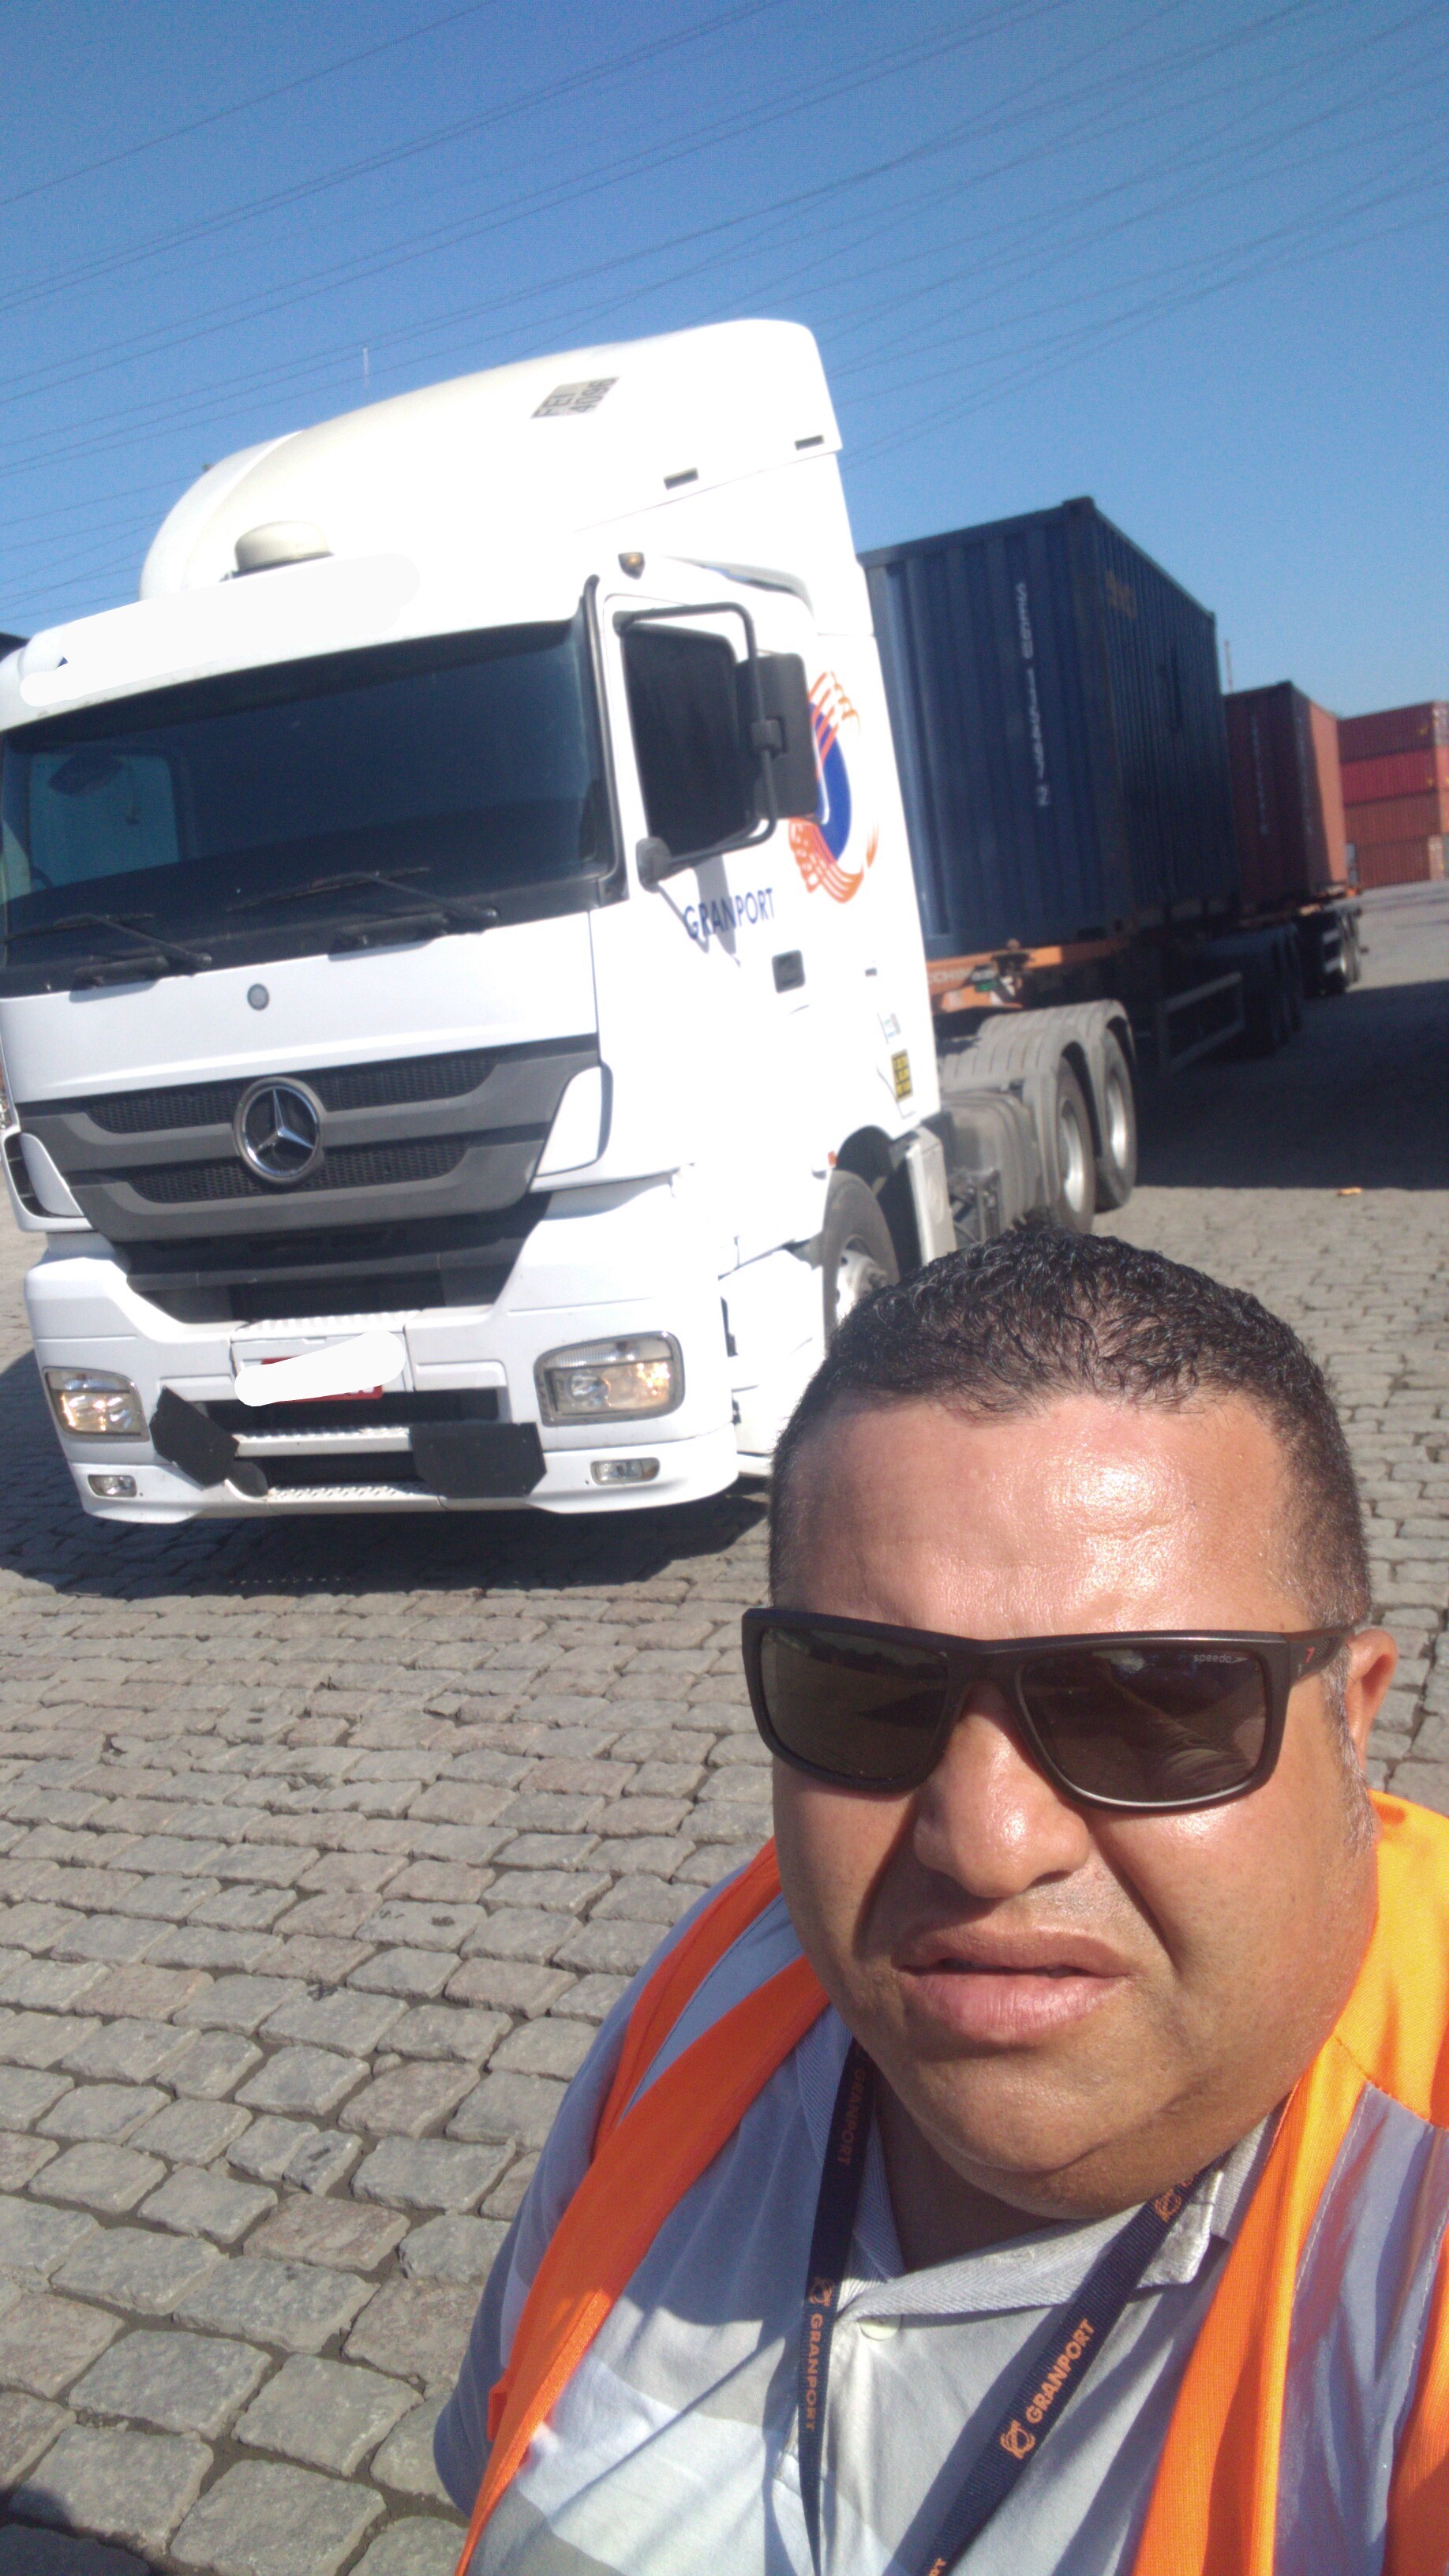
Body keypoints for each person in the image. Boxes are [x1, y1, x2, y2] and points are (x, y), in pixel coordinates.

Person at [436, 1229, 1449, 2574]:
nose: (985, 1842)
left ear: (1350, 1720)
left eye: (1147, 1700)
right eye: (864, 1686)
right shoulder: (723, 1986)